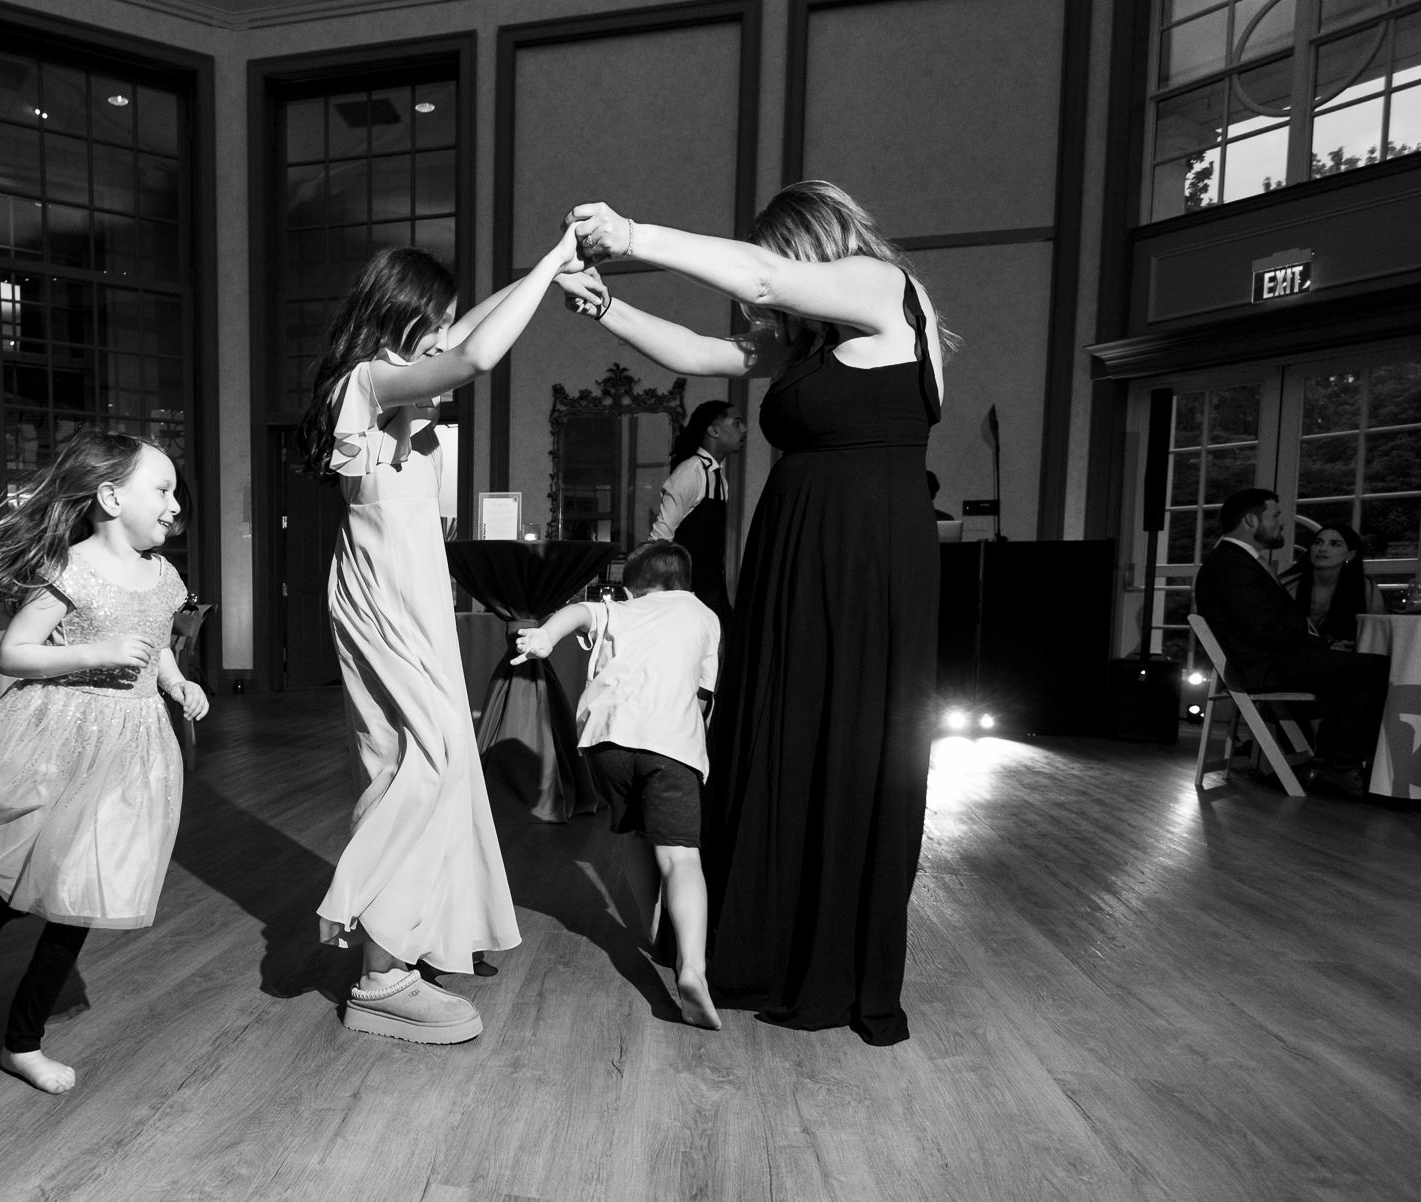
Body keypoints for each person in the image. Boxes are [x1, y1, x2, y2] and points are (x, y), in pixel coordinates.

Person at [560, 179, 951, 1045]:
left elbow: (764, 280)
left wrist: (631, 233)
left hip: (865, 560)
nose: (765, 278)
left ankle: (833, 963)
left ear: (810, 245)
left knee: (850, 743)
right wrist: (606, 308)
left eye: (776, 253)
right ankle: (765, 941)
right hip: (793, 558)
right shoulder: (811, 343)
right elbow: (700, 352)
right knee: (782, 734)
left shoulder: (884, 288)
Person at [296, 229, 581, 1044]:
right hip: (384, 595)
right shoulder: (366, 380)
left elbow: (465, 334)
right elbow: (474, 356)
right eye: (437, 318)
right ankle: (377, 966)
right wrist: (555, 262)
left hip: (412, 594)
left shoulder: (396, 374)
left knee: (417, 765)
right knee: (428, 761)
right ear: (401, 314)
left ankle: (402, 946)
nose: (446, 331)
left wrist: (542, 272)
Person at [0, 429, 206, 1094]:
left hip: (135, 743)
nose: (175, 505)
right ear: (111, 498)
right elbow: (13, 653)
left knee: (77, 892)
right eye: (163, 490)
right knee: (45, 861)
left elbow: (156, 643)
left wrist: (177, 681)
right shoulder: (70, 569)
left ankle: (19, 1040)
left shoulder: (164, 577)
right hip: (66, 735)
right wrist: (94, 653)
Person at [513, 540, 722, 1028]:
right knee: (680, 858)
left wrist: (545, 636)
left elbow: (580, 613)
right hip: (670, 746)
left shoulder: (621, 611)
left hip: (607, 741)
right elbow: (703, 695)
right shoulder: (705, 617)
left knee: (629, 834)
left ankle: (651, 932)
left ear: (632, 589)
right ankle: (692, 967)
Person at [1193, 489, 1389, 791]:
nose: (1280, 523)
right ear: (1251, 520)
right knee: (1374, 669)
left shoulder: (1238, 561)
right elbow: (1262, 628)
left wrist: (1321, 648)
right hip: (1263, 666)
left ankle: (1328, 763)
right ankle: (1340, 767)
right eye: (1274, 516)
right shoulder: (1230, 565)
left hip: (1273, 660)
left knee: (1360, 669)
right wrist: (1318, 645)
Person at [646, 401, 745, 626]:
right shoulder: (690, 472)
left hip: (711, 586)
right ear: (714, 430)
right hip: (687, 589)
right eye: (736, 423)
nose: (744, 429)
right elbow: (660, 538)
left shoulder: (719, 478)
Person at [1280, 522, 1386, 649]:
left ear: (1350, 555)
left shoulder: (1365, 587)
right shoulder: (1289, 585)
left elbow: (1376, 635)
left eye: (1334, 544)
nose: (1322, 549)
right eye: (1318, 542)